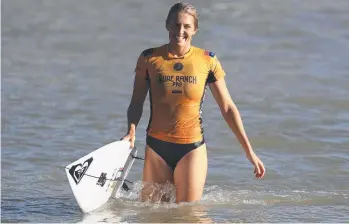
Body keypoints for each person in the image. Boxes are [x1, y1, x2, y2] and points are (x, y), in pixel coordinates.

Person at [122, 2, 265, 203]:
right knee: (152, 216)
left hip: (191, 149)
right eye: (176, 24)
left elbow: (228, 108)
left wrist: (250, 152)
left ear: (195, 30)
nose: (180, 31)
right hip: (156, 147)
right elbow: (136, 102)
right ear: (167, 25)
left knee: (187, 216)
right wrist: (131, 130)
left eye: (187, 26)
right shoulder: (149, 58)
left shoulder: (207, 60)